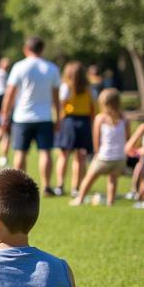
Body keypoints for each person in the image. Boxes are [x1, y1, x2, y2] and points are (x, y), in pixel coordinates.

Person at [0, 36, 61, 195]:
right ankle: (46, 186)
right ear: (42, 49)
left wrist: (4, 115)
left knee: (20, 152)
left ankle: (19, 187)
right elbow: (56, 97)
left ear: (26, 49)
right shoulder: (52, 68)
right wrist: (59, 117)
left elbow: (10, 94)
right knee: (45, 152)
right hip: (45, 116)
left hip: (22, 116)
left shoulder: (19, 67)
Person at [69, 88, 130, 207]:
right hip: (120, 158)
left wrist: (96, 153)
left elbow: (96, 139)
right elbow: (127, 138)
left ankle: (80, 199)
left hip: (104, 156)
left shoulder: (100, 118)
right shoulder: (125, 119)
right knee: (112, 180)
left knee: (89, 178)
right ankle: (110, 202)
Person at [53, 61, 94, 197]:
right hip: (84, 122)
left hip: (69, 121)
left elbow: (61, 105)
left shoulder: (66, 87)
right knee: (80, 157)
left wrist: (58, 121)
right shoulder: (90, 89)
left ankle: (60, 185)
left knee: (64, 155)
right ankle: (76, 187)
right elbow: (93, 108)